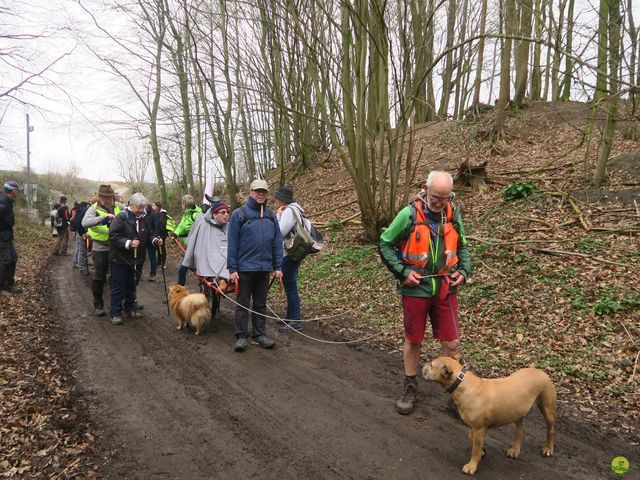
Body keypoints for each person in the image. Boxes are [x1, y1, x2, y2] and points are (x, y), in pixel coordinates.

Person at [379, 171, 471, 415]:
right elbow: (385, 244)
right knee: (414, 340)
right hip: (415, 289)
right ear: (425, 189)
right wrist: (402, 272)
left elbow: (463, 247)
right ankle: (410, 386)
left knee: (452, 343)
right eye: (435, 196)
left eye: (445, 197)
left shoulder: (453, 214)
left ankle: (451, 390)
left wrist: (464, 270)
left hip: (445, 288)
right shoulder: (409, 213)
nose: (439, 202)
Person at [227, 179, 283, 352]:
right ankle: (242, 336)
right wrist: (233, 269)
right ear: (251, 192)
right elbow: (232, 243)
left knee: (260, 303)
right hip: (244, 268)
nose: (261, 194)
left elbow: (277, 242)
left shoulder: (271, 215)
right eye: (257, 191)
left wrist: (278, 267)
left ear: (267, 194)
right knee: (243, 303)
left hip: (264, 268)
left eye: (264, 191)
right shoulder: (239, 214)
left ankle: (259, 335)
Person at [108, 193, 162, 325]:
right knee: (118, 286)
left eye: (143, 207)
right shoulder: (121, 217)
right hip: (120, 259)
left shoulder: (142, 218)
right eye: (139, 207)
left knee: (132, 285)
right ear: (131, 205)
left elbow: (148, 235)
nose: (142, 210)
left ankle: (130, 308)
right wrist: (128, 243)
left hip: (137, 259)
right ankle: (115, 313)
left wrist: (155, 240)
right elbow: (113, 236)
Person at [182, 200, 231, 318]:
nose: (226, 215)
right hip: (209, 255)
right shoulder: (203, 224)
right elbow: (196, 241)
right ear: (214, 214)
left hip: (226, 255)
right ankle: (221, 279)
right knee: (216, 264)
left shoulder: (229, 226)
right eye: (223, 212)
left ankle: (226, 279)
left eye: (227, 212)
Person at [83, 185, 121, 317]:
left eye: (110, 197)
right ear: (100, 197)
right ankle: (98, 304)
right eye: (104, 197)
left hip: (116, 246)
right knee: (99, 276)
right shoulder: (93, 209)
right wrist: (104, 217)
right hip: (100, 247)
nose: (107, 200)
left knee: (116, 276)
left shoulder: (118, 206)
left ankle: (116, 304)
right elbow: (85, 223)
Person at [274, 186, 309, 332]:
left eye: (277, 198)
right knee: (291, 285)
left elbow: (280, 232)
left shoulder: (288, 211)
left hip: (288, 253)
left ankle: (295, 320)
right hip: (295, 252)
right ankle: (289, 318)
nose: (276, 201)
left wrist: (277, 216)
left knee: (290, 287)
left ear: (282, 199)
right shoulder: (297, 209)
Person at [172, 195, 201, 286]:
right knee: (183, 270)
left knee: (182, 270)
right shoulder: (187, 214)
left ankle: (179, 292)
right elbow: (181, 225)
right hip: (188, 246)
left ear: (184, 204)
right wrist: (176, 233)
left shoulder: (196, 215)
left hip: (194, 248)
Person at [0, 180, 23, 295]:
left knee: (13, 258)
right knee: (4, 260)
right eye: (16, 190)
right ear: (12, 190)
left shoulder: (7, 202)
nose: (17, 192)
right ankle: (2, 288)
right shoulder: (2, 203)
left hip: (7, 236)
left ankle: (9, 284)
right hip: (2, 237)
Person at [70, 199, 91, 275]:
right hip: (81, 232)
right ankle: (82, 268)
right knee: (82, 250)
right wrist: (82, 233)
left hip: (79, 232)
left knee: (80, 248)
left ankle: (78, 263)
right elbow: (79, 223)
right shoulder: (85, 211)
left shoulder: (79, 210)